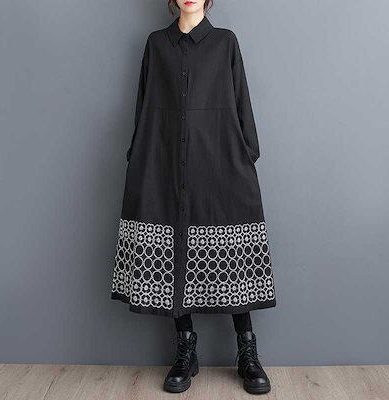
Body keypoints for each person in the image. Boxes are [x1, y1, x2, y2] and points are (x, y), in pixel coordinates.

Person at [111, 0, 276, 395]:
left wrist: (245, 154)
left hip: (218, 163)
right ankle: (185, 348)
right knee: (174, 248)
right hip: (166, 162)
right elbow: (145, 105)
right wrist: (139, 155)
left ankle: (247, 352)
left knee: (231, 255)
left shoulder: (225, 43)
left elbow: (241, 102)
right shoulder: (156, 44)